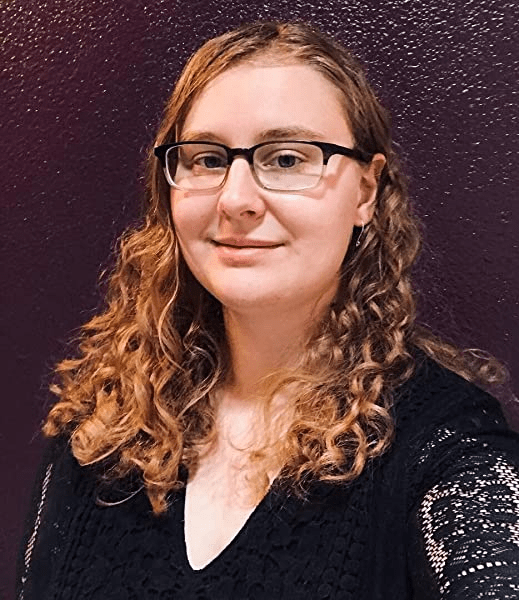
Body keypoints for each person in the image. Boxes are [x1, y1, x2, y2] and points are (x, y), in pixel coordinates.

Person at [17, 21, 519, 600]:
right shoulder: (103, 426)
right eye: (207, 159)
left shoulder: (445, 443)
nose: (235, 200)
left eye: (285, 159)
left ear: (365, 192)